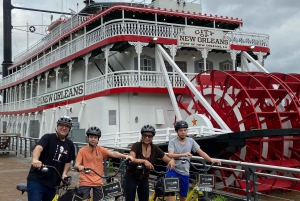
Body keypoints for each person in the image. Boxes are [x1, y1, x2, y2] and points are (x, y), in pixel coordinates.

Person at [166, 120, 222, 201]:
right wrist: (183, 154)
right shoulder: (172, 141)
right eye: (181, 130)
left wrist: (212, 160)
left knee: (183, 196)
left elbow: (201, 153)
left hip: (184, 171)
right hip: (173, 170)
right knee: (170, 193)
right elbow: (170, 154)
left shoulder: (191, 141)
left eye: (185, 130)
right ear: (177, 131)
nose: (183, 132)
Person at [74, 126, 134, 201]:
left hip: (98, 181)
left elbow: (113, 154)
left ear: (98, 139)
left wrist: (125, 156)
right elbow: (77, 164)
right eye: (91, 137)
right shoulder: (82, 151)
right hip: (85, 181)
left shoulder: (100, 150)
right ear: (87, 138)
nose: (93, 139)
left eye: (95, 137)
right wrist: (79, 166)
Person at [27, 116, 75, 201]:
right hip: (37, 181)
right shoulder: (48, 138)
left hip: (54, 184)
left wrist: (64, 174)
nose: (64, 128)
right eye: (61, 125)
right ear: (57, 126)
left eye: (67, 126)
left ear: (69, 129)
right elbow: (38, 148)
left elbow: (68, 162)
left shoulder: (70, 144)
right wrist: (35, 160)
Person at [124, 125, 175, 201]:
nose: (147, 138)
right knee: (129, 199)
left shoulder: (155, 148)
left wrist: (171, 161)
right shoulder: (136, 146)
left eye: (150, 136)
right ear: (142, 136)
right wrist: (144, 161)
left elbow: (167, 159)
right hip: (131, 177)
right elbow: (132, 159)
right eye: (145, 135)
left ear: (152, 137)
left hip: (144, 179)